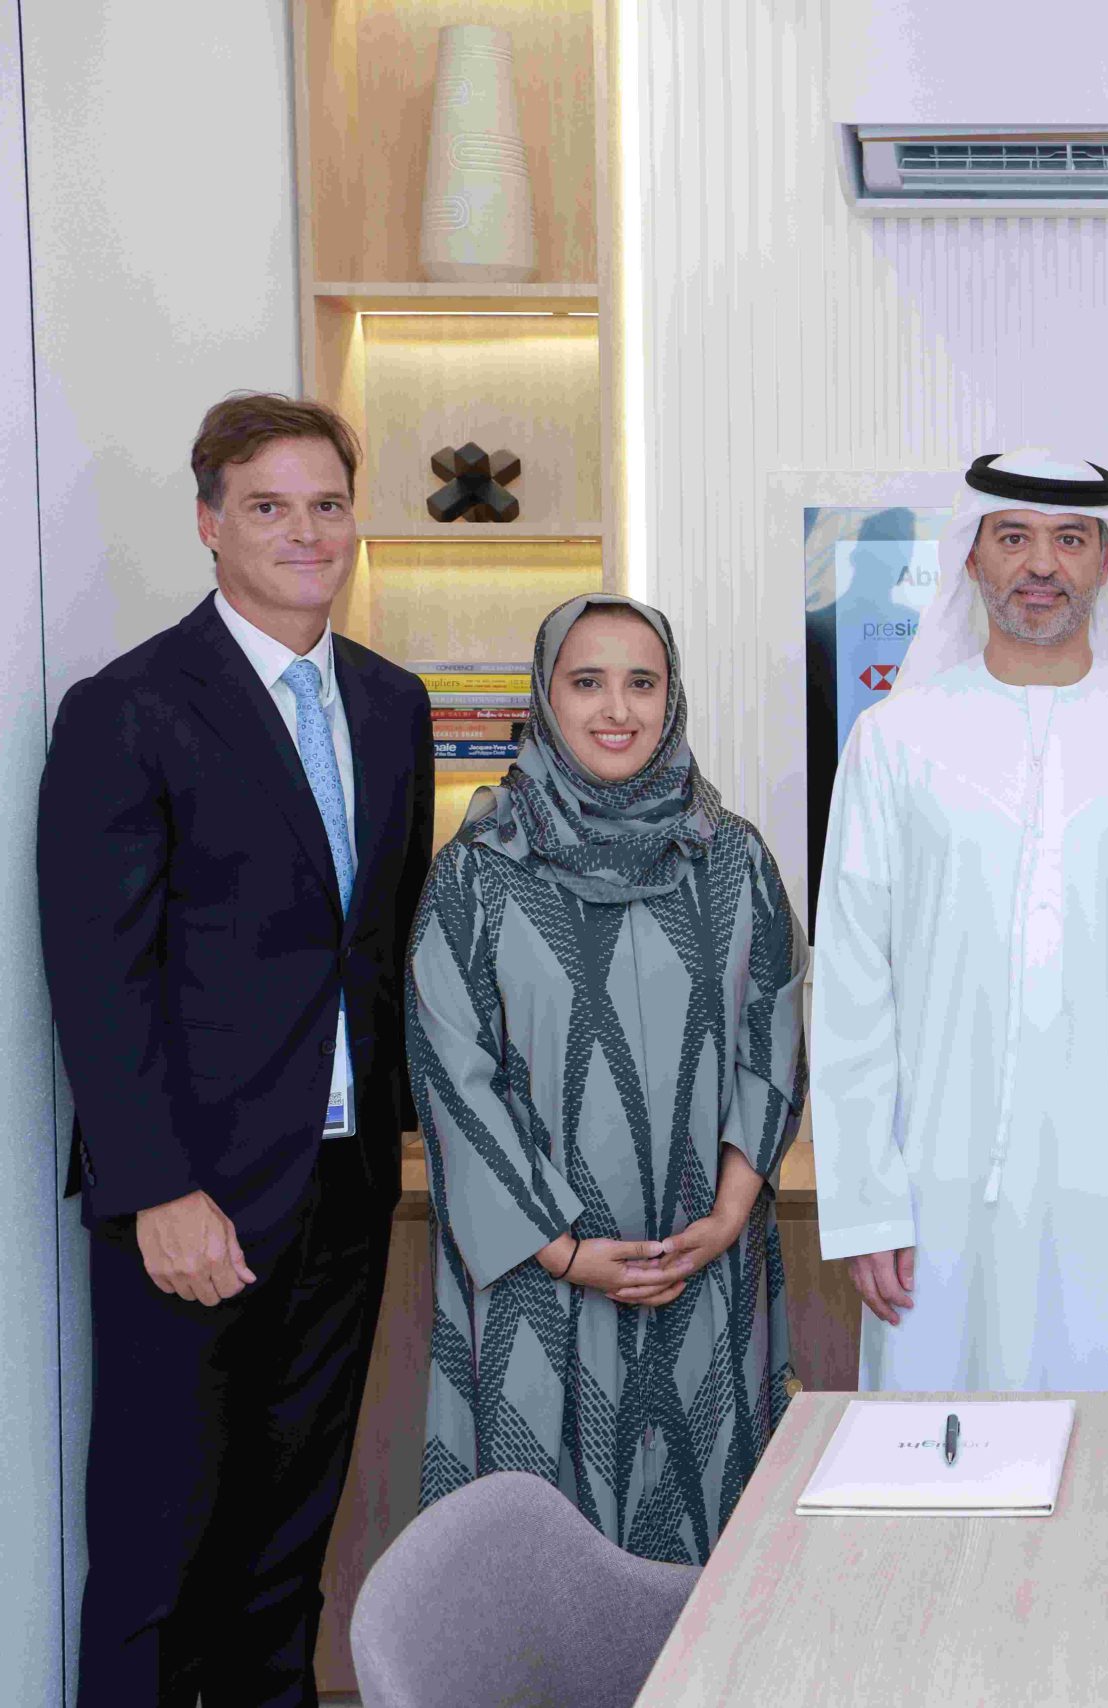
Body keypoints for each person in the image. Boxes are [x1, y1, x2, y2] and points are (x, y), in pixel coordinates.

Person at [38, 392, 434, 1706]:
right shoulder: (130, 707)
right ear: (210, 524)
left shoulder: (391, 705)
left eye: (327, 505)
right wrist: (156, 1188)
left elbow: (381, 941)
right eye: (269, 507)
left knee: (284, 1557)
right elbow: (99, 975)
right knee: (157, 1565)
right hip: (193, 1202)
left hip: (343, 1189)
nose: (305, 533)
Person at [810, 448, 1108, 1390]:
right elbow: (852, 987)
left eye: (1070, 540)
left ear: (1105, 561)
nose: (1041, 564)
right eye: (1014, 537)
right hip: (933, 1196)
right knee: (935, 1452)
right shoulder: (892, 740)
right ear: (972, 556)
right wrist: (868, 1205)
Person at [409, 593, 807, 1562]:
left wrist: (727, 1215)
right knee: (540, 1568)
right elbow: (453, 1073)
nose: (617, 709)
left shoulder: (732, 860)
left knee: (708, 1554)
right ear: (545, 698)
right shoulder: (479, 872)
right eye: (587, 682)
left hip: (701, 1268)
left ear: (673, 698)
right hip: (538, 1283)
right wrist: (562, 1250)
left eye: (642, 682)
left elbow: (772, 1033)